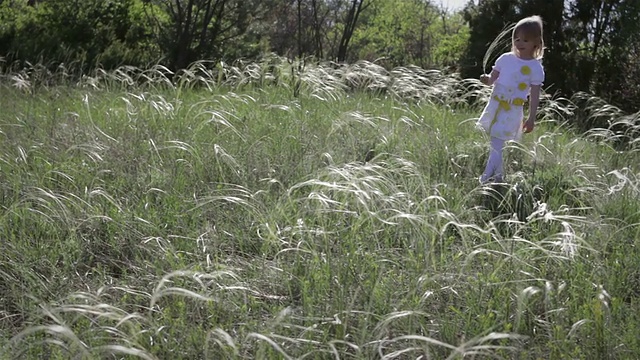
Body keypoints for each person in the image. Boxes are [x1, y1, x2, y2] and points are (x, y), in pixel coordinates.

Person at [477, 15, 545, 184]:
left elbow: (535, 96)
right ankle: (498, 178)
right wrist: (486, 79)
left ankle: (485, 179)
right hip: (495, 106)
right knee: (496, 143)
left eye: (526, 40)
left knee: (497, 144)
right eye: (517, 39)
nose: (520, 43)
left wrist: (531, 118)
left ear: (536, 42)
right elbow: (492, 80)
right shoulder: (505, 59)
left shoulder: (535, 68)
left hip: (512, 111)